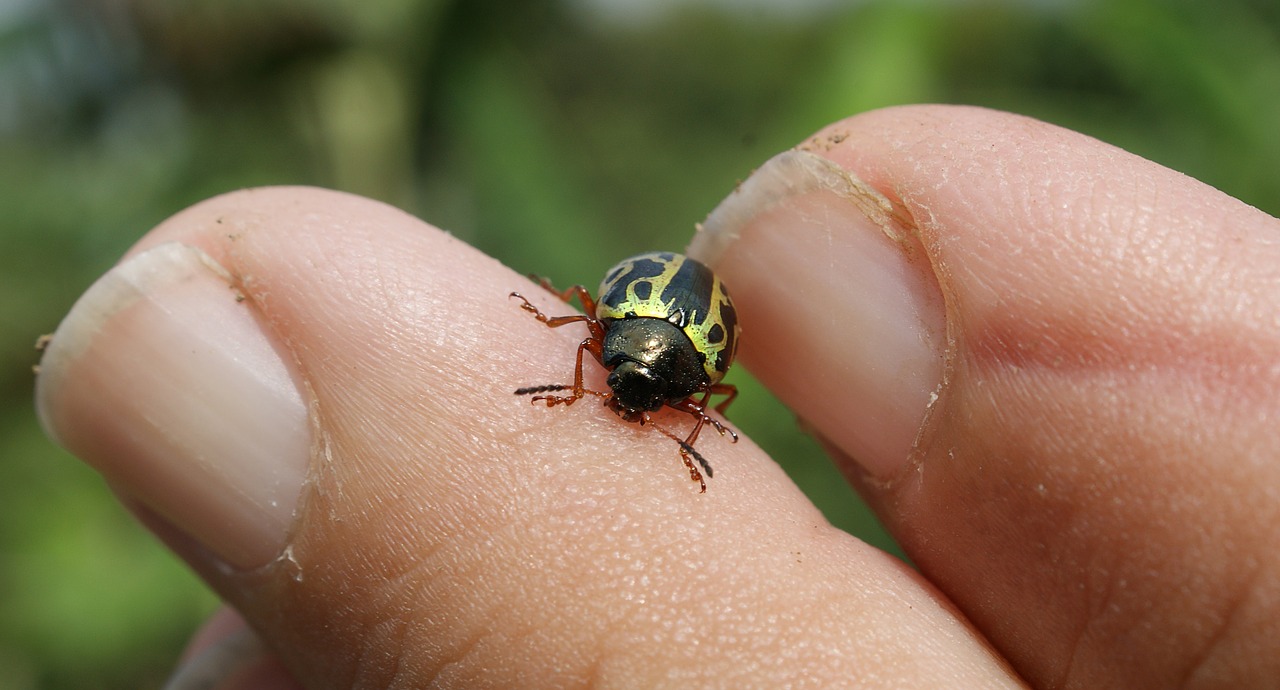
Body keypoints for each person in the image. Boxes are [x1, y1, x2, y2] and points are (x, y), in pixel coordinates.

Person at [35, 105, 1280, 688]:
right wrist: (630, 390)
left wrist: (662, 407)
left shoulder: (673, 362)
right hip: (642, 300)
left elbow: (663, 360)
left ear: (683, 382)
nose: (627, 396)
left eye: (648, 391)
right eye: (636, 385)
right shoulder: (627, 345)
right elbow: (619, 341)